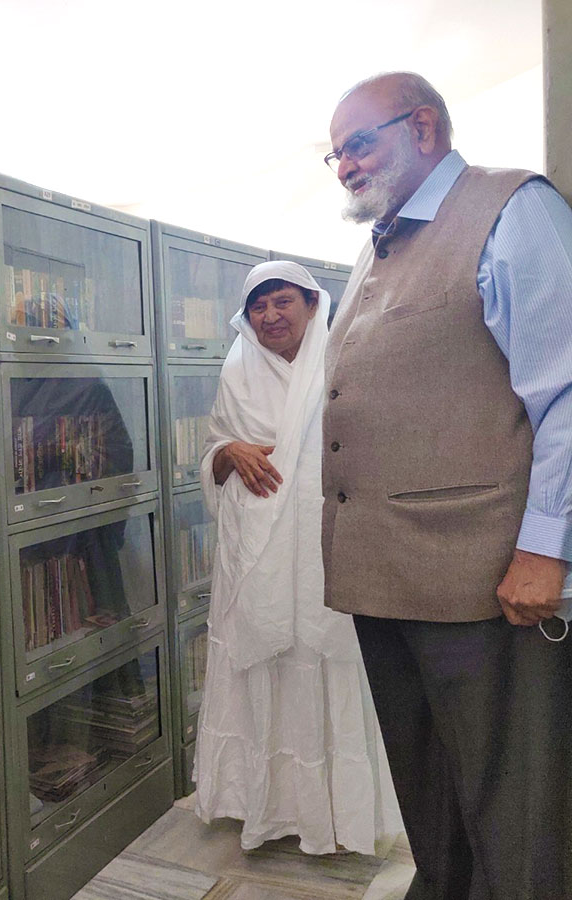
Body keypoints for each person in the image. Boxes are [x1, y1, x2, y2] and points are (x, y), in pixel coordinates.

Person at [323, 71, 572, 898]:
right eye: (335, 155)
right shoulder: (375, 249)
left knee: (515, 806)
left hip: (484, 579)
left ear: (423, 126)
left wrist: (547, 547)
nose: (345, 165)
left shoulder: (510, 208)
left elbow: (565, 390)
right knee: (430, 797)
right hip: (385, 579)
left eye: (358, 142)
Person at [193, 260, 401, 855]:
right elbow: (213, 450)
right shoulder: (237, 368)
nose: (270, 316)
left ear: (313, 305)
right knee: (259, 666)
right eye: (258, 306)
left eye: (283, 301)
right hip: (254, 548)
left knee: (323, 657)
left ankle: (336, 816)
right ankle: (259, 805)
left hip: (323, 545)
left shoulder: (344, 359)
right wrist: (228, 449)